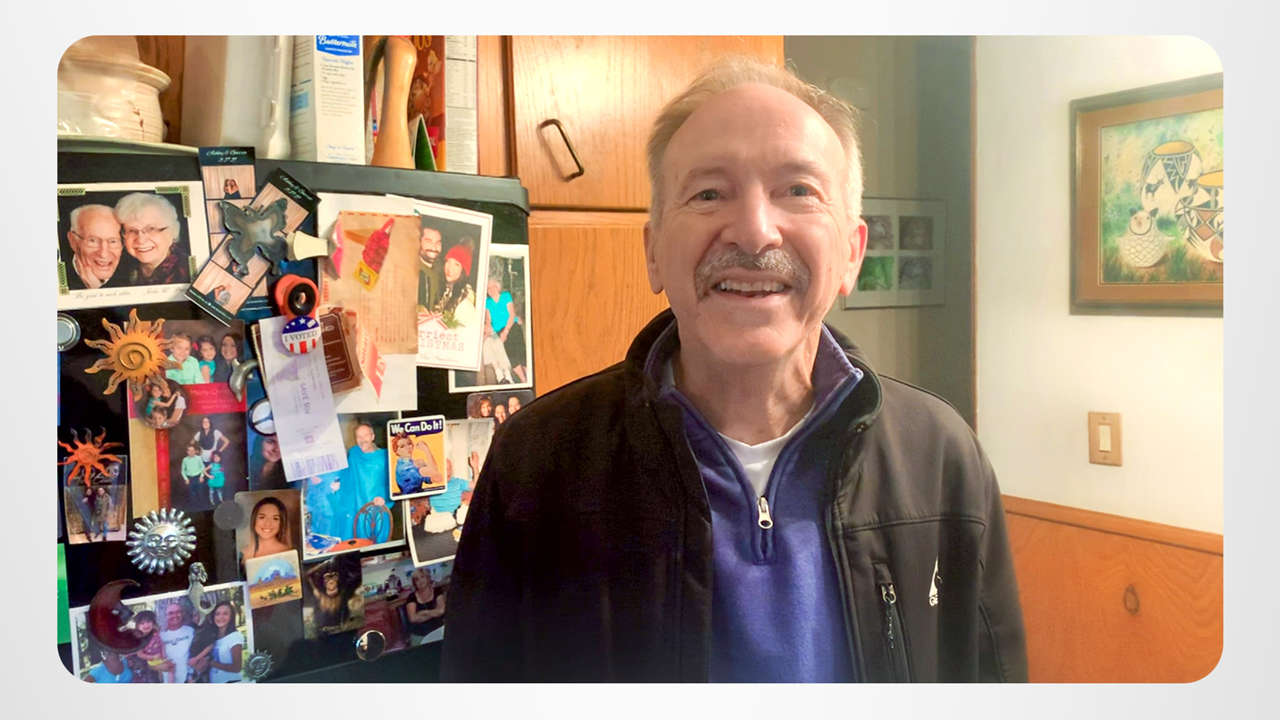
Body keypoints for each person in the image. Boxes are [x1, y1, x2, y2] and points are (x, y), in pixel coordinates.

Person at [441, 59, 1027, 682]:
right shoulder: (537, 462)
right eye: (709, 193)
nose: (753, 232)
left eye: (798, 191)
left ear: (852, 254)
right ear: (654, 252)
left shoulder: (941, 456)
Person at [116, 192, 188, 285]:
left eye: (151, 229)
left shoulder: (185, 273)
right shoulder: (121, 269)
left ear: (172, 231)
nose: (141, 240)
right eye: (132, 231)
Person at [341, 423, 394, 542]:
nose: (362, 440)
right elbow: (346, 475)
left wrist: (385, 498)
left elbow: (393, 483)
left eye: (366, 436)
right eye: (359, 437)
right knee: (358, 544)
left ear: (373, 436)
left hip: (378, 507)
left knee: (379, 544)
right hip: (357, 507)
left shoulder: (385, 456)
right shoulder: (354, 453)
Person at [65, 203, 130, 290]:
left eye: (113, 241)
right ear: (73, 241)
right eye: (93, 241)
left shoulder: (133, 277)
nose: (103, 254)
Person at [485, 272, 528, 384]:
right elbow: (488, 320)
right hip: (499, 330)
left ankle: (529, 376)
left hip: (511, 325)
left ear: (498, 287)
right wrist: (488, 330)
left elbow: (512, 314)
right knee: (511, 354)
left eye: (493, 286)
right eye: (488, 288)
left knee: (520, 350)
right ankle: (523, 380)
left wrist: (506, 331)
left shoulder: (506, 296)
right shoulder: (487, 302)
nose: (491, 290)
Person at [195, 602, 244, 683]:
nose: (221, 617)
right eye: (217, 614)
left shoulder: (235, 636)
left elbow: (237, 668)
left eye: (225, 614)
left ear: (231, 617)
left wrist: (211, 663)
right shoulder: (212, 637)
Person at [432, 243, 477, 327]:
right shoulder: (446, 289)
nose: (449, 268)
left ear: (463, 270)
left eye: (456, 264)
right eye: (448, 261)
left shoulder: (466, 299)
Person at [405, 568, 446, 645]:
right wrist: (435, 612)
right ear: (414, 583)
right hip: (419, 634)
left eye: (422, 577)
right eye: (417, 579)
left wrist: (423, 612)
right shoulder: (411, 597)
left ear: (428, 578)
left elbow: (442, 610)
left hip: (438, 630)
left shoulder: (437, 591)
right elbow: (413, 618)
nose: (420, 581)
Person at [159, 602, 194, 683]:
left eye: (178, 612)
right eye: (171, 613)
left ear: (182, 614)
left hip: (188, 680)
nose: (175, 615)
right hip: (169, 681)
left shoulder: (190, 631)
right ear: (166, 616)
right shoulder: (160, 636)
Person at [416, 223, 446, 311]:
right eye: (428, 241)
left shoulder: (440, 271)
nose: (434, 248)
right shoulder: (410, 270)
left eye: (438, 243)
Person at [179, 443, 206, 510]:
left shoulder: (198, 458)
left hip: (198, 477)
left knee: (200, 492)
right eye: (189, 450)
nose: (191, 452)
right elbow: (182, 470)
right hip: (190, 478)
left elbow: (203, 468)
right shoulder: (185, 460)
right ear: (187, 452)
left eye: (193, 450)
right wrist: (186, 479)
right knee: (191, 493)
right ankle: (194, 507)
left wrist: (201, 476)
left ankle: (202, 507)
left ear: (195, 451)